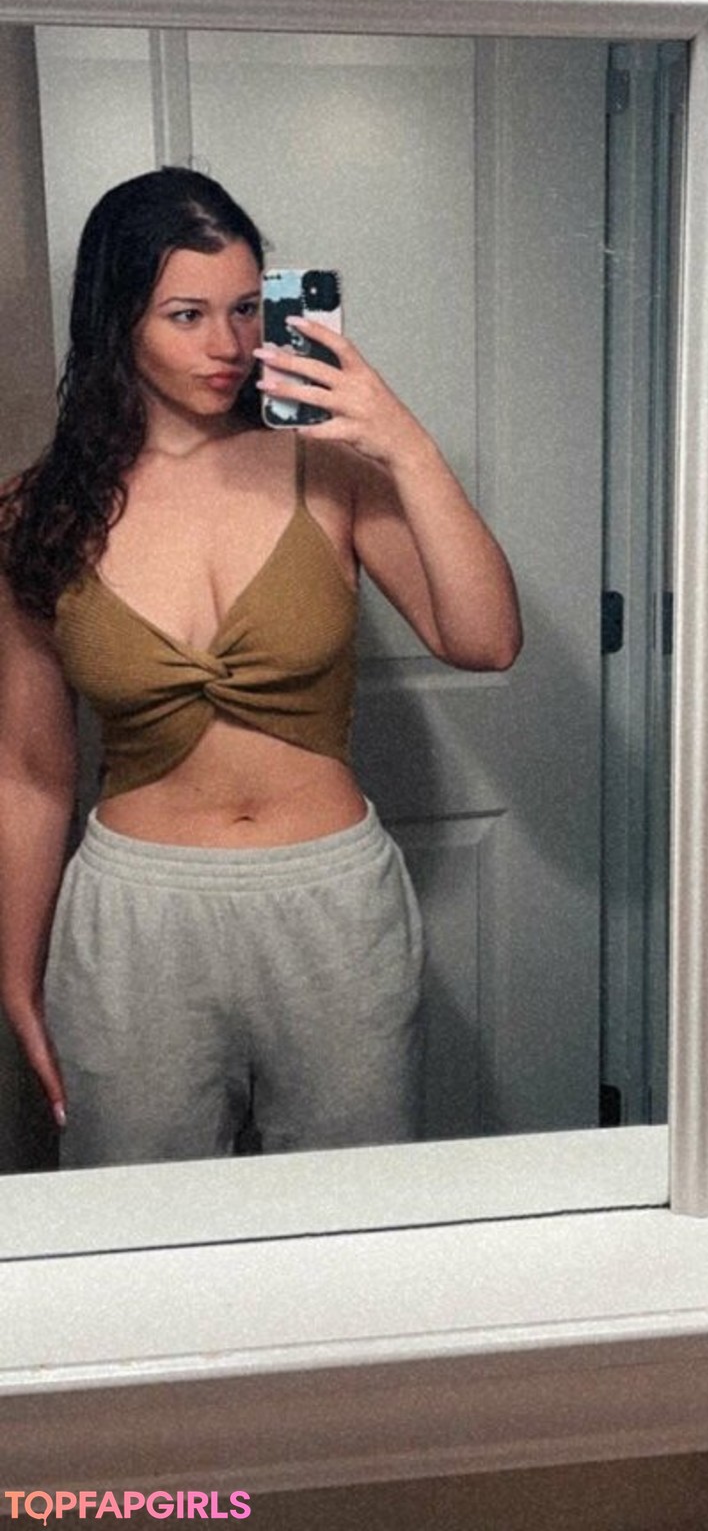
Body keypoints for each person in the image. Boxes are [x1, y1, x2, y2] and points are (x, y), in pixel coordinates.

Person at [0, 167, 522, 1168]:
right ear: (117, 319)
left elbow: (486, 638)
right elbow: (30, 772)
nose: (229, 344)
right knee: (142, 1229)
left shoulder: (330, 468)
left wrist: (404, 443)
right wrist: (16, 973)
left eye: (246, 308)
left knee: (346, 1225)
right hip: (135, 919)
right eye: (187, 314)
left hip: (331, 906)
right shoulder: (39, 512)